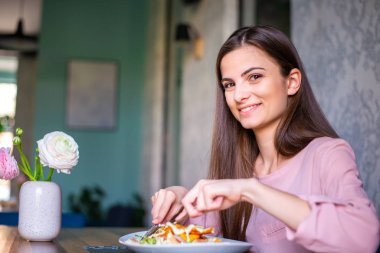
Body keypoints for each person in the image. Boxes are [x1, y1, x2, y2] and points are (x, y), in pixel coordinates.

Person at [150, 26, 380, 253]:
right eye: (229, 85)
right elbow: (192, 237)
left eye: (254, 77)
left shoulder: (328, 153)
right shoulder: (237, 168)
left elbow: (363, 239)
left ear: (291, 82)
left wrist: (252, 191)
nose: (238, 96)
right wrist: (179, 199)